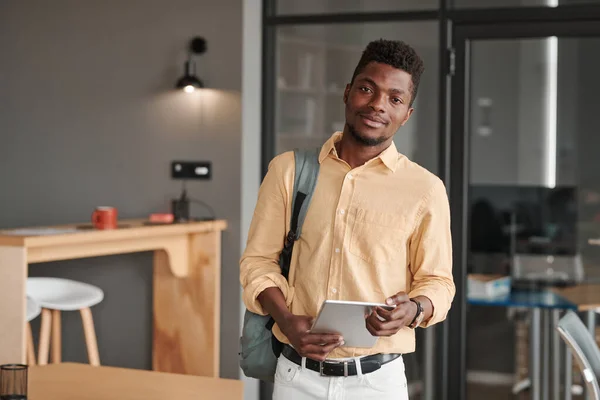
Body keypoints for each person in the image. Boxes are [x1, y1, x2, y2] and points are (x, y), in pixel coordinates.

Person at [240, 39, 455, 400]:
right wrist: (287, 321)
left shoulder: (425, 189)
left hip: (377, 382)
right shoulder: (289, 171)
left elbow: (438, 282)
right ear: (347, 92)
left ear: (407, 114)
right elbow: (257, 263)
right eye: (367, 89)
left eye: (395, 99)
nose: (377, 105)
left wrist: (414, 309)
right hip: (296, 377)